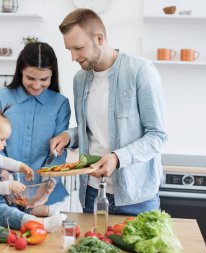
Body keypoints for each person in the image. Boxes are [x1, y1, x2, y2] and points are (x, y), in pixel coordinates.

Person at [50, 8, 168, 215]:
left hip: (136, 196)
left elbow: (157, 136)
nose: (73, 57)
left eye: (78, 48)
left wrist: (117, 157)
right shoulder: (80, 79)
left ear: (99, 38)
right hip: (92, 192)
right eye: (69, 50)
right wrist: (69, 136)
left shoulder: (140, 71)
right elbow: (94, 128)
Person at [0, 42, 71, 217]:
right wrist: (5, 177)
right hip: (3, 189)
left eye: (43, 79)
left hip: (45, 196)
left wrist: (49, 182)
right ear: (21, 71)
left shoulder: (60, 104)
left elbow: (59, 151)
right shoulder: (1, 98)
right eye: (30, 78)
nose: (36, 85)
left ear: (53, 75)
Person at [0, 107, 67, 231]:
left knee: (18, 204)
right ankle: (41, 224)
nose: (5, 144)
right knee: (8, 214)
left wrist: (21, 166)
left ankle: (48, 211)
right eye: (2, 139)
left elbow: (5, 161)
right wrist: (9, 185)